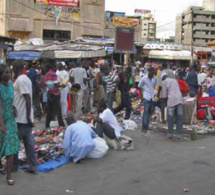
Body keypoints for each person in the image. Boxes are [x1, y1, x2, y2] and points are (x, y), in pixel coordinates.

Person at [12, 59, 37, 173]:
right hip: (25, 118)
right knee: (28, 143)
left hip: (21, 118)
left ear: (15, 68)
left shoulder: (20, 80)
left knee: (15, 143)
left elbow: (27, 98)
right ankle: (32, 165)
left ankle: (14, 166)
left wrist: (27, 117)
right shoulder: (25, 79)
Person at [0, 64, 20, 185]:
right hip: (1, 119)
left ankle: (9, 174)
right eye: (5, 73)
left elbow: (9, 100)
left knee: (11, 146)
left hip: (11, 120)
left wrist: (14, 108)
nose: (8, 74)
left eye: (9, 72)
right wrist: (2, 124)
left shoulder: (11, 85)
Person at [161, 73, 184, 140]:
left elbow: (165, 94)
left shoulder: (164, 82)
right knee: (179, 118)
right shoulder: (174, 80)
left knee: (170, 118)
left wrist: (164, 102)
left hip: (171, 100)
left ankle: (170, 134)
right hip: (179, 99)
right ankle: (179, 135)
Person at [44, 61, 65, 128]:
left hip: (49, 93)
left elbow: (46, 84)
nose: (56, 69)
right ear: (53, 67)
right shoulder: (54, 75)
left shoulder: (46, 74)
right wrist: (62, 85)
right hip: (55, 94)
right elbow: (56, 85)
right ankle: (61, 124)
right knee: (58, 111)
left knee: (50, 111)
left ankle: (47, 125)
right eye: (56, 67)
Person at [138, 67, 157, 133]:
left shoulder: (155, 78)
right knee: (146, 112)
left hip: (152, 97)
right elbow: (139, 87)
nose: (152, 74)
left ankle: (147, 125)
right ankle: (144, 127)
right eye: (151, 72)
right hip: (146, 97)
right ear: (148, 72)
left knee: (150, 112)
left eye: (153, 73)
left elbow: (154, 86)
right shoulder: (144, 78)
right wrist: (141, 96)